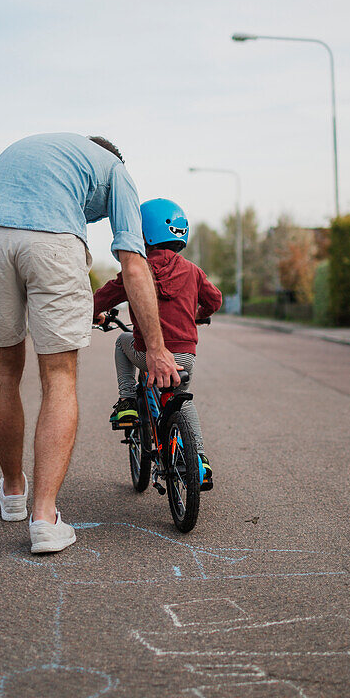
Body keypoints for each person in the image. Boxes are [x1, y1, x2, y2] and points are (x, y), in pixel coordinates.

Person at [0, 134, 180, 554]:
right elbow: (134, 265)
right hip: (52, 242)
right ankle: (44, 518)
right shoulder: (116, 170)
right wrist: (155, 347)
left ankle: (12, 493)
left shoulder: (38, 150)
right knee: (59, 377)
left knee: (2, 372)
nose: (93, 218)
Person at [93, 197, 223, 489]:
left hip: (146, 354)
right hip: (185, 356)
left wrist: (98, 316)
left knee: (121, 342)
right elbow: (215, 299)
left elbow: (100, 300)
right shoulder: (193, 271)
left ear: (143, 233)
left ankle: (127, 401)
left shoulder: (136, 271)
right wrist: (199, 315)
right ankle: (199, 460)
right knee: (183, 397)